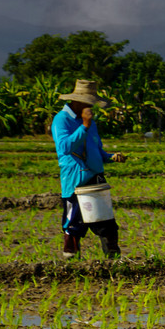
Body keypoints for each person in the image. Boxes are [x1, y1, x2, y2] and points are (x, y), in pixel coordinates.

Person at [52, 79, 126, 258]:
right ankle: (72, 261)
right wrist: (84, 126)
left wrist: (110, 157)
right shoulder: (62, 120)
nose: (91, 107)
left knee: (107, 222)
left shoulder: (91, 122)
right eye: (88, 102)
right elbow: (64, 148)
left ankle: (113, 261)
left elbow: (96, 150)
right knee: (73, 224)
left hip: (95, 177)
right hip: (75, 180)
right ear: (77, 101)